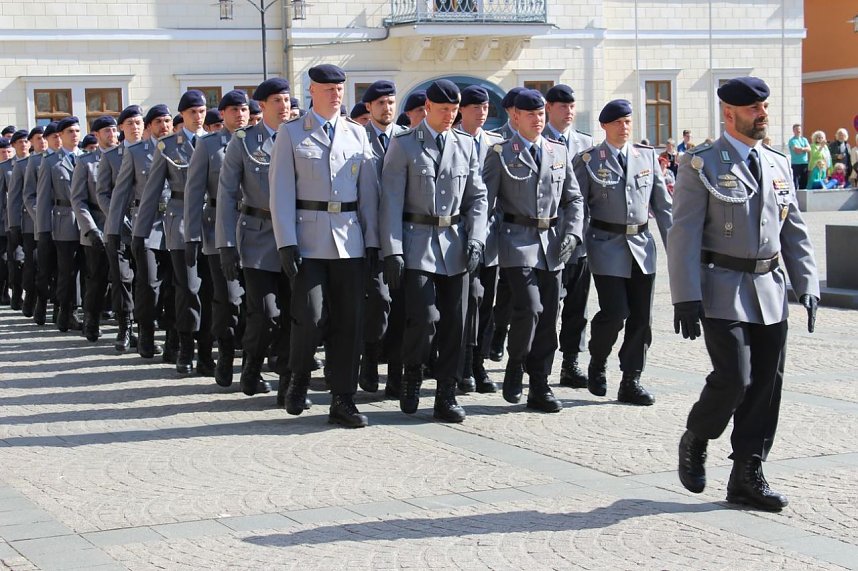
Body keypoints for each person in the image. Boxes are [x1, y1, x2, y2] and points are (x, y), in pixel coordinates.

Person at [669, 76, 819, 512]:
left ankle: (747, 473)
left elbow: (793, 229)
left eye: (765, 107)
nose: (764, 115)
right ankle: (698, 435)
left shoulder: (776, 162)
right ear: (729, 114)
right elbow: (684, 233)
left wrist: (806, 284)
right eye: (755, 109)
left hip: (769, 287)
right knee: (735, 377)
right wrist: (685, 295)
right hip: (722, 286)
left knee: (766, 386)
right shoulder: (701, 164)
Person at [270, 64, 379, 428]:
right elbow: (281, 191)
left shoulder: (356, 134)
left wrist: (374, 242)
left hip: (350, 241)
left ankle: (342, 398)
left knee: (350, 322)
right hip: (309, 239)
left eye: (340, 88)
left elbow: (368, 195)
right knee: (311, 316)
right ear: (312, 91)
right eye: (328, 88)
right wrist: (286, 242)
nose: (336, 94)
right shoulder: (291, 134)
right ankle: (298, 376)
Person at [380, 79, 488, 423]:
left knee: (455, 323)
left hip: (455, 244)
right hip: (417, 242)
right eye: (444, 110)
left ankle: (446, 392)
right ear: (427, 107)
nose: (449, 116)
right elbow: (391, 202)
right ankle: (412, 371)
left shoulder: (465, 144)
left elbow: (478, 198)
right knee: (424, 318)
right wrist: (392, 250)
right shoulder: (405, 145)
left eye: (454, 111)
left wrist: (477, 239)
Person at [483, 89, 584, 412]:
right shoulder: (500, 153)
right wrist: (481, 243)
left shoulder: (558, 152)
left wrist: (573, 233)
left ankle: (539, 383)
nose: (538, 120)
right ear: (515, 117)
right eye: (531, 115)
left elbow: (574, 199)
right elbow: (485, 203)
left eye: (541, 114)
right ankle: (516, 363)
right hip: (516, 242)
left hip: (553, 245)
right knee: (529, 307)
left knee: (548, 317)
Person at [572, 99, 672, 406]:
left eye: (628, 121)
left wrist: (677, 248)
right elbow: (578, 205)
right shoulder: (589, 159)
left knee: (641, 318)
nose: (624, 127)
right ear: (604, 126)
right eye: (617, 122)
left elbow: (663, 207)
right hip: (606, 245)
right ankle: (598, 360)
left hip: (641, 246)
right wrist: (576, 243)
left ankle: (631, 380)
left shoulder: (646, 157)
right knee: (615, 313)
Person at [218, 78, 293, 401]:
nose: (284, 106)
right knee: (264, 312)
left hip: (296, 236)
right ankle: (251, 364)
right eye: (277, 100)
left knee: (297, 312)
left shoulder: (300, 137)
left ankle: (290, 376)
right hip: (257, 238)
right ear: (262, 106)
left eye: (287, 99)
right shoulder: (245, 141)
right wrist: (226, 244)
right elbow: (226, 193)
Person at [134, 90, 208, 376]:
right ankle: (185, 348)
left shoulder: (214, 143)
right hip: (178, 223)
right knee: (187, 288)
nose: (198, 117)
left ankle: (205, 352)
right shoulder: (168, 147)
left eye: (201, 112)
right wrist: (140, 233)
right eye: (192, 113)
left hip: (210, 222)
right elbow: (152, 192)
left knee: (210, 289)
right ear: (183, 116)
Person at [184, 90, 249, 383]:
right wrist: (191, 235)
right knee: (227, 299)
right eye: (233, 110)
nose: (240, 115)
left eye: (244, 109)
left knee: (255, 303)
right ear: (222, 114)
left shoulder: (260, 140)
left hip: (256, 231)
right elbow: (194, 192)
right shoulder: (208, 146)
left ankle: (250, 362)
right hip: (217, 231)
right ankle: (223, 354)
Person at [108, 104, 175, 360]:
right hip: (146, 225)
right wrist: (114, 229)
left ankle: (172, 340)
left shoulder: (184, 148)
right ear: (149, 127)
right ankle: (146, 333)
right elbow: (121, 191)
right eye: (158, 121)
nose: (164, 126)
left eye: (167, 121)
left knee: (175, 286)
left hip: (176, 225)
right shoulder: (136, 153)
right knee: (149, 284)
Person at [542, 83, 595, 389]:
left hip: (579, 238)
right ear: (549, 108)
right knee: (548, 306)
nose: (569, 111)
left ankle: (571, 362)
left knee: (578, 306)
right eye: (563, 106)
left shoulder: (586, 144)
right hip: (546, 237)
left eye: (572, 106)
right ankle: (539, 362)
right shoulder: (538, 140)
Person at [357, 80, 408, 396]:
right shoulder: (358, 139)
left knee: (402, 306)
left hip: (403, 236)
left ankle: (395, 372)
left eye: (391, 103)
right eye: (381, 104)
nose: (387, 109)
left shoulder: (405, 140)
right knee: (378, 301)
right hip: (370, 236)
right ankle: (370, 359)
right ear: (369, 108)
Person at [457, 85, 504, 394]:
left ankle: (479, 360)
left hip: (491, 237)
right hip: (458, 233)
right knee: (466, 301)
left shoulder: (497, 144)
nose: (481, 111)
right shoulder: (453, 141)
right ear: (462, 110)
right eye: (475, 106)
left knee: (487, 302)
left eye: (485, 106)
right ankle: (462, 362)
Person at [98, 105, 144, 352]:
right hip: (118, 227)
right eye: (130, 124)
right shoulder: (111, 156)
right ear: (122, 129)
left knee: (145, 279)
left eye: (139, 123)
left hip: (145, 226)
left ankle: (142, 328)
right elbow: (102, 193)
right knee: (122, 278)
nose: (136, 127)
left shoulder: (151, 152)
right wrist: (116, 215)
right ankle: (124, 327)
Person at [70, 115, 118, 341]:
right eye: (106, 131)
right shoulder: (86, 162)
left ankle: (127, 327)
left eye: (113, 130)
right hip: (96, 229)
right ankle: (91, 318)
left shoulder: (126, 156)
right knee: (97, 279)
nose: (112, 134)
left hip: (122, 228)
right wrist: (90, 229)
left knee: (125, 281)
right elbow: (78, 200)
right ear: (96, 135)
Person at [36, 116, 84, 333]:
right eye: (69, 132)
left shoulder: (88, 158)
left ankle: (86, 311)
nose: (74, 135)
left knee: (89, 270)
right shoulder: (50, 162)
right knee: (67, 271)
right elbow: (43, 198)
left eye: (77, 131)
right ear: (60, 136)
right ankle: (66, 311)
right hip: (64, 221)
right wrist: (43, 231)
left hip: (88, 224)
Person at [23, 122, 59, 325]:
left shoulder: (74, 158)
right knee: (43, 268)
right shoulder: (35, 162)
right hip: (43, 223)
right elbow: (28, 195)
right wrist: (40, 215)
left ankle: (61, 309)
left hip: (66, 222)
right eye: (52, 137)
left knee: (64, 269)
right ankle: (41, 304)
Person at [6, 127, 44, 316]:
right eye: (39, 138)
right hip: (29, 223)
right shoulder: (22, 166)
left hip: (54, 222)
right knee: (30, 263)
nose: (43, 141)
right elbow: (13, 199)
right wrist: (14, 225)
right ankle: (29, 297)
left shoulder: (53, 161)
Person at [787, 124, 810, 190]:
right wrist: (804, 149)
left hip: (804, 163)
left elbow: (809, 149)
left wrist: (801, 149)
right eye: (797, 129)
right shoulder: (792, 141)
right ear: (793, 131)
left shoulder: (804, 139)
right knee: (796, 181)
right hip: (796, 164)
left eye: (799, 129)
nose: (798, 131)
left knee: (804, 181)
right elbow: (796, 150)